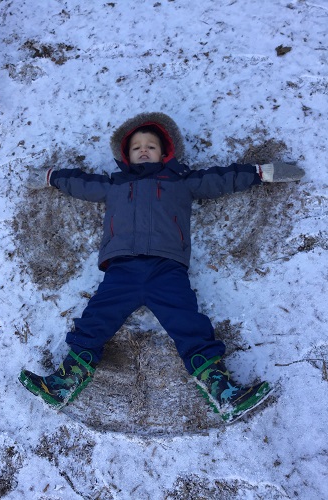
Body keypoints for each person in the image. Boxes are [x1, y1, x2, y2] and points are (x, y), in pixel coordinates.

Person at [19, 112, 304, 422]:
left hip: (167, 269)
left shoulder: (180, 181)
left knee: (189, 324)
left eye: (151, 146)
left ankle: (223, 392)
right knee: (95, 319)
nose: (144, 150)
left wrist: (262, 172)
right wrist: (50, 177)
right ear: (125, 155)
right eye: (136, 146)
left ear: (165, 151)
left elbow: (222, 179)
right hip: (122, 269)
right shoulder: (113, 185)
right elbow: (81, 183)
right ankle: (63, 383)